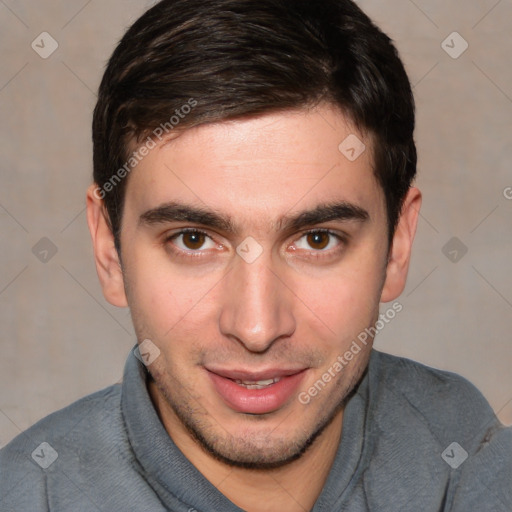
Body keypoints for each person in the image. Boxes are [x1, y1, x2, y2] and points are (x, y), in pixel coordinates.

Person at [1, 0, 510, 510]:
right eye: (193, 240)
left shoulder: (470, 462)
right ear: (109, 249)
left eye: (317, 239)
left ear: (397, 245)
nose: (257, 328)